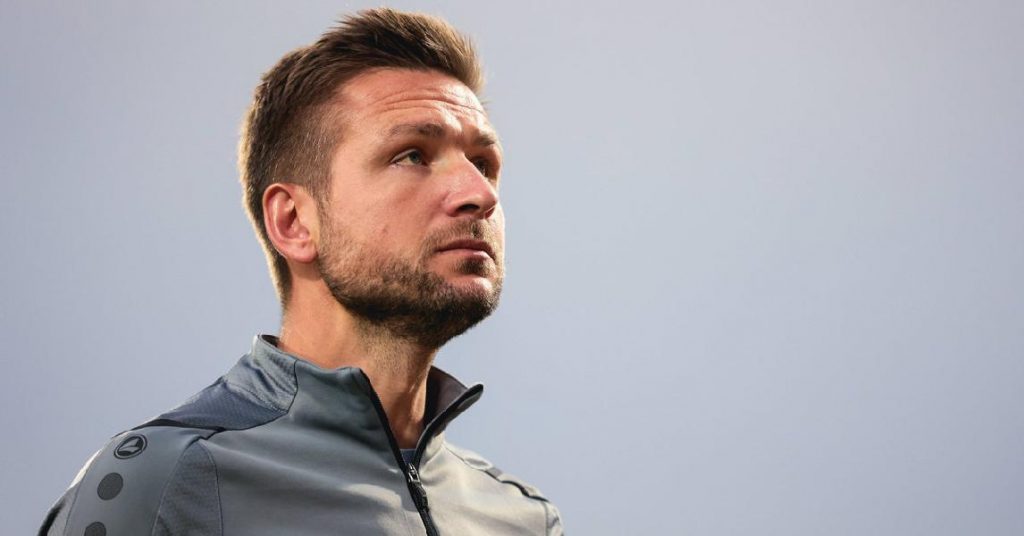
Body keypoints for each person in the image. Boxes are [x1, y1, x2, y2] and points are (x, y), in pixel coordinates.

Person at [39, 8, 562, 536]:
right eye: (411, 156)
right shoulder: (163, 485)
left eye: (483, 163)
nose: (480, 193)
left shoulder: (522, 519)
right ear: (293, 222)